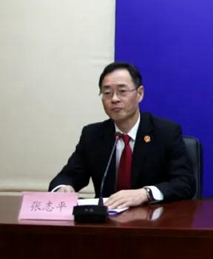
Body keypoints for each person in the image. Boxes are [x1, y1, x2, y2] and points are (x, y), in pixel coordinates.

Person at [49, 62, 195, 208]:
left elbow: (185, 183)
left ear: (139, 94)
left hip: (152, 217)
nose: (114, 99)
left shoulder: (165, 132)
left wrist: (144, 193)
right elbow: (68, 176)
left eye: (122, 91)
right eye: (107, 93)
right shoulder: (92, 135)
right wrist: (62, 188)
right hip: (107, 218)